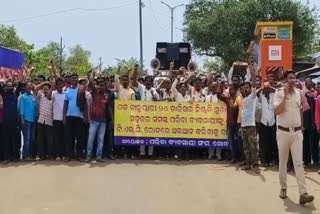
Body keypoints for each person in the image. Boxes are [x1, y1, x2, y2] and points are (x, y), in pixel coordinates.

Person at [274, 70, 314, 204]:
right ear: (285, 80)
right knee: (283, 162)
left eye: (294, 78)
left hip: (296, 133)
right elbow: (277, 111)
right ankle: (283, 187)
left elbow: (300, 110)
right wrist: (285, 96)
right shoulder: (278, 92)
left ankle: (303, 193)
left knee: (298, 163)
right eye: (290, 78)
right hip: (283, 133)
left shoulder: (299, 93)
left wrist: (301, 127)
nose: (293, 80)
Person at [240, 67, 259, 173]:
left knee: (253, 146)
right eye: (244, 88)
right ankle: (248, 163)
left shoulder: (252, 96)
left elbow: (254, 84)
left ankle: (255, 164)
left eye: (247, 87)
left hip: (251, 126)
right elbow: (243, 114)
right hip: (244, 126)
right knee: (246, 146)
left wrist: (252, 73)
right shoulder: (243, 99)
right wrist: (241, 126)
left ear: (250, 88)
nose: (245, 89)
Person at [63, 73, 86, 161]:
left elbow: (85, 103)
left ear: (77, 79)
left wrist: (85, 116)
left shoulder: (82, 89)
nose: (74, 80)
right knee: (69, 137)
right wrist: (64, 117)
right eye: (73, 78)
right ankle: (69, 155)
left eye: (76, 78)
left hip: (79, 117)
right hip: (69, 116)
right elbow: (65, 105)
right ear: (71, 80)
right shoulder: (67, 91)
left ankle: (79, 155)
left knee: (80, 137)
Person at [85, 79, 108, 162]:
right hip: (94, 120)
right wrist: (92, 76)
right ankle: (88, 156)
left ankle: (99, 156)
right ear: (97, 85)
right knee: (90, 138)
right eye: (100, 85)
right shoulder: (94, 93)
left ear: (105, 86)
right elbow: (91, 83)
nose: (101, 87)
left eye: (103, 85)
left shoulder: (106, 95)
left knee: (100, 139)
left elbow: (107, 108)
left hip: (103, 121)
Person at [258, 81, 277, 166]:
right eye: (265, 88)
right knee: (263, 142)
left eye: (268, 88)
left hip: (272, 122)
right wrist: (261, 88)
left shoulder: (274, 96)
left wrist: (272, 87)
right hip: (263, 122)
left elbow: (279, 91)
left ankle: (272, 160)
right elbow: (254, 93)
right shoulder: (261, 96)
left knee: (272, 142)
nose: (267, 90)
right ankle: (264, 160)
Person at [35, 82, 54, 160]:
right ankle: (41, 156)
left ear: (50, 90)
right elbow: (36, 88)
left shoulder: (53, 97)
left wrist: (51, 85)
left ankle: (49, 155)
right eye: (44, 89)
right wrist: (44, 83)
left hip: (49, 121)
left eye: (47, 89)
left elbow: (53, 86)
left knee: (49, 140)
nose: (45, 90)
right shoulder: (41, 96)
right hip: (41, 121)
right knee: (40, 139)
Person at [20, 81, 37, 160]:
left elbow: (35, 108)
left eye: (30, 86)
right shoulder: (22, 97)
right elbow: (21, 109)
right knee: (27, 138)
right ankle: (25, 155)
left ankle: (30, 154)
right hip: (26, 120)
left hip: (33, 120)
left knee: (32, 138)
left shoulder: (33, 97)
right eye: (28, 86)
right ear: (25, 87)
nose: (29, 87)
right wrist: (22, 119)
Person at [52, 78, 65, 160]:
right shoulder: (53, 93)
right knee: (56, 138)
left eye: (61, 84)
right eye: (58, 84)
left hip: (64, 119)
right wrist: (52, 86)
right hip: (55, 119)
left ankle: (63, 154)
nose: (59, 85)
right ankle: (56, 155)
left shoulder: (66, 93)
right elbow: (49, 97)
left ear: (63, 85)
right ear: (56, 85)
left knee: (63, 138)